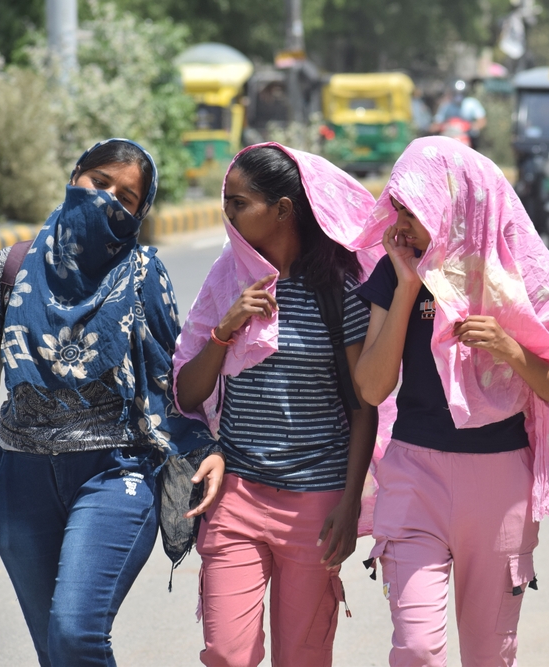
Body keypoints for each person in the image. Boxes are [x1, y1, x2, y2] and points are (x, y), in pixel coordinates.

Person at [0, 138, 225, 666]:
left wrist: (208, 445)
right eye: (100, 182)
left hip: (115, 472)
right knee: (55, 653)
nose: (109, 199)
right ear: (74, 178)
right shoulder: (11, 269)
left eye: (127, 196)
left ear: (140, 212)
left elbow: (171, 380)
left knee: (75, 634)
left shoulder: (143, 275)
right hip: (20, 478)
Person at [354, 136, 549, 666]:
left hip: (500, 483)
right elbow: (372, 389)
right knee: (416, 649)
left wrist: (511, 349)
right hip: (413, 474)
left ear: (453, 202)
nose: (400, 223)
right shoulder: (393, 271)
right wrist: (404, 288)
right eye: (396, 206)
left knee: (489, 655)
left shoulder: (516, 274)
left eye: (412, 208)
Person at [172, 143, 381, 667]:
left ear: (284, 210)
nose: (229, 214)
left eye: (239, 203)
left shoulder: (342, 290)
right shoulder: (228, 281)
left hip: (316, 505)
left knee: (303, 658)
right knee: (225, 652)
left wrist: (350, 501)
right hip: (235, 496)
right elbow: (187, 394)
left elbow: (362, 407)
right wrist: (224, 330)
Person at [432, 80, 487, 149]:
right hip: (450, 135)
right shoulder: (446, 105)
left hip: (468, 136)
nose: (458, 96)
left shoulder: (472, 103)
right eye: (456, 93)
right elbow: (437, 122)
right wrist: (442, 126)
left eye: (461, 93)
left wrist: (472, 126)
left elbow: (482, 120)